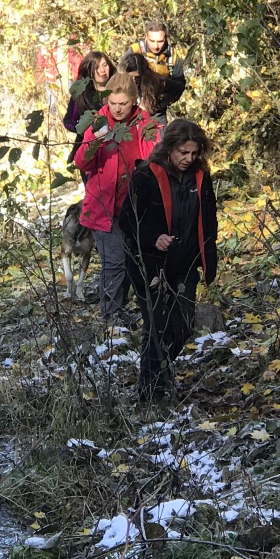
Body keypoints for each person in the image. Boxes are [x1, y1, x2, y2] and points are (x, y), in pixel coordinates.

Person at [119, 118, 220, 402]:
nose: (189, 158)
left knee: (183, 327)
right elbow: (127, 220)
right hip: (148, 265)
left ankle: (157, 378)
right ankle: (151, 392)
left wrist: (209, 258)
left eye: (194, 152)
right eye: (183, 152)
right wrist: (154, 238)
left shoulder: (200, 176)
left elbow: (209, 219)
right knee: (157, 326)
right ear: (169, 148)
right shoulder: (146, 176)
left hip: (186, 263)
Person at [74, 73, 161, 322]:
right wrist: (97, 142)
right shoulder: (99, 121)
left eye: (123, 103)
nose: (118, 109)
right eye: (113, 103)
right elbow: (81, 162)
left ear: (133, 101)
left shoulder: (143, 121)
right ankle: (110, 317)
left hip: (133, 205)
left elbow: (153, 159)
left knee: (131, 260)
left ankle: (120, 312)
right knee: (114, 261)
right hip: (101, 205)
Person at [64, 49, 114, 172]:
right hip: (90, 151)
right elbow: (68, 121)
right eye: (96, 67)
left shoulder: (119, 88)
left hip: (115, 149)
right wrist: (87, 129)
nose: (102, 70)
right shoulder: (82, 94)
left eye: (104, 65)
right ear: (89, 70)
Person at [128, 18, 186, 116]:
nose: (156, 46)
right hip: (133, 109)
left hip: (158, 110)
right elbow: (120, 79)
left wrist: (159, 104)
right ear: (145, 36)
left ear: (166, 38)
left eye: (160, 41)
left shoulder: (173, 55)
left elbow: (180, 86)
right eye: (152, 41)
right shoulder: (135, 51)